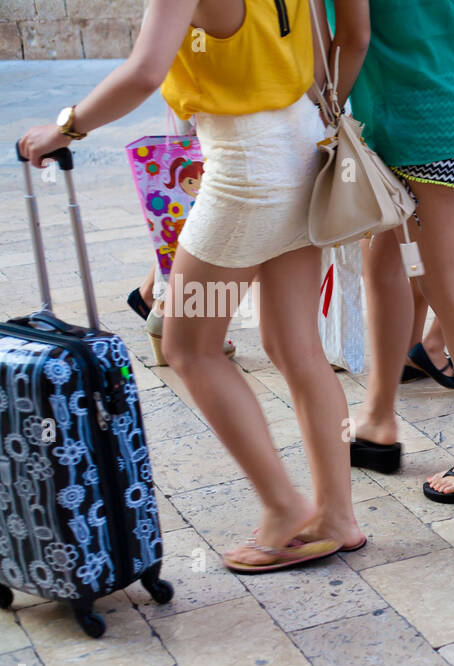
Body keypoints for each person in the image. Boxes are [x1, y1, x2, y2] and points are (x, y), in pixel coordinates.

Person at [20, 0, 363, 572]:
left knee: (188, 346)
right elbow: (338, 40)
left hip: (245, 169)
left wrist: (64, 127)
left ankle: (284, 509)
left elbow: (143, 72)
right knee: (295, 347)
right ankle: (337, 516)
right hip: (302, 147)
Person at [330, 0, 454, 503]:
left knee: (447, 286)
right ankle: (377, 418)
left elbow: (354, 38)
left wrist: (324, 113)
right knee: (385, 264)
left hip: (417, 123)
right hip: (442, 111)